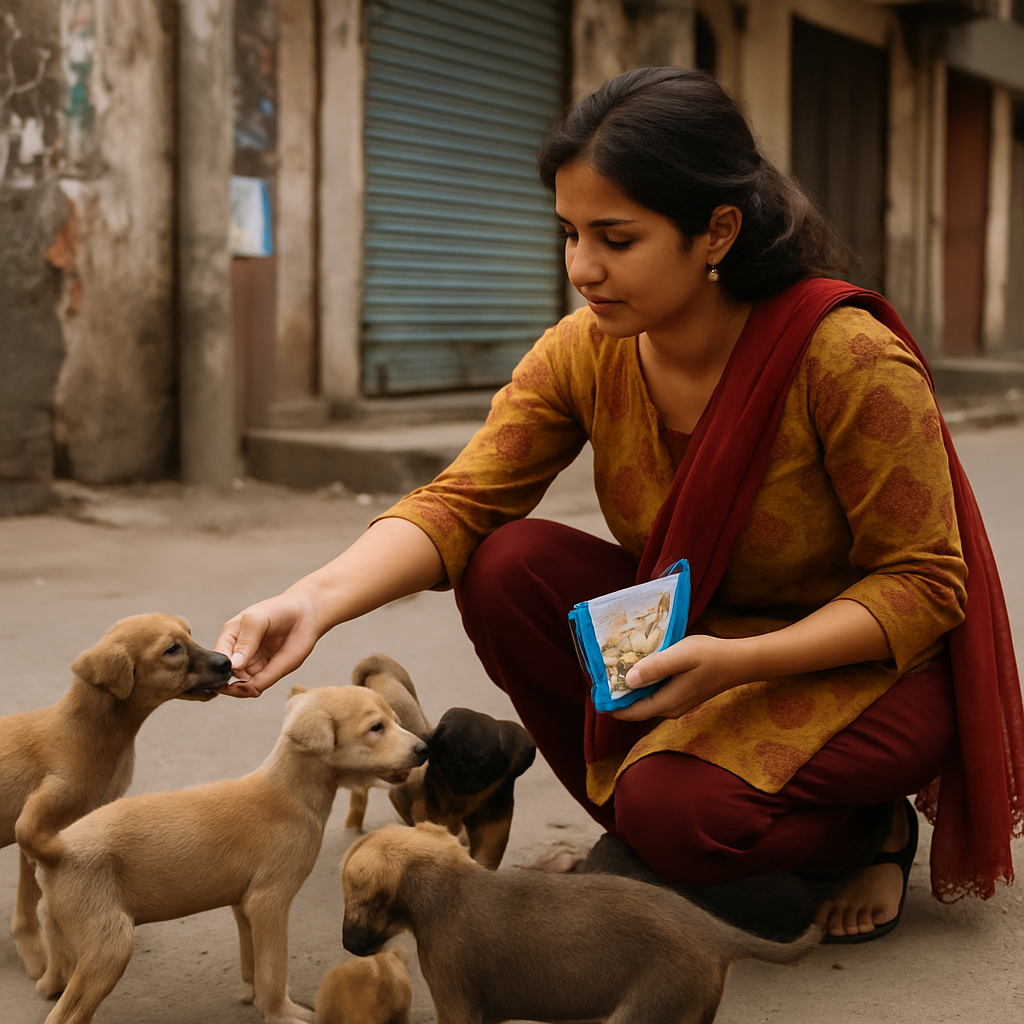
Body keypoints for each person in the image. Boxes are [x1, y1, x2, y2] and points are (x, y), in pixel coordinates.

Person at [217, 67, 1023, 942]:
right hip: (698, 643)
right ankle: (647, 820)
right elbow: (463, 502)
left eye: (616, 237)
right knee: (506, 567)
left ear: (716, 230)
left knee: (681, 815)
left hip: (865, 668)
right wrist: (312, 602)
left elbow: (925, 586)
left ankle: (868, 828)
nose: (582, 268)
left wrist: (735, 663)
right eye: (568, 233)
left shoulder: (847, 360)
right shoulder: (586, 352)